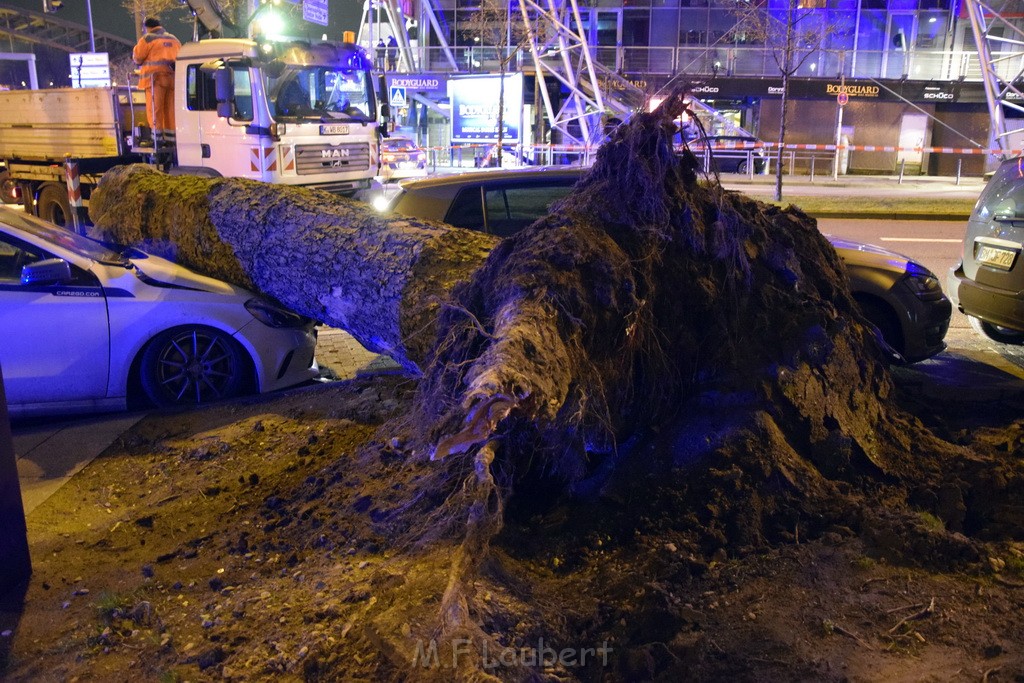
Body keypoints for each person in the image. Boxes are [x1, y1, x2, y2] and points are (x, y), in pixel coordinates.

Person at [133, 17, 181, 148]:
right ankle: (171, 139)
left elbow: (137, 58)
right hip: (172, 80)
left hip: (155, 80)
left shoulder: (148, 38)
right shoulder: (174, 39)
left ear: (147, 27)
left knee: (155, 109)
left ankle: (157, 140)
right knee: (170, 110)